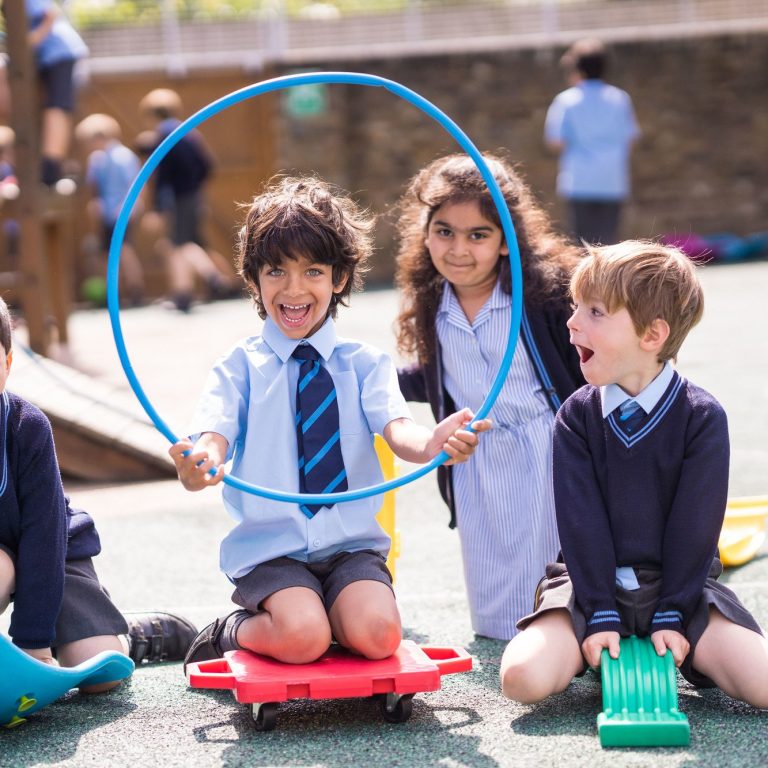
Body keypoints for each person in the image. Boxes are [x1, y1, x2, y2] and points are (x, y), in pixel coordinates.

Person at [171, 176, 490, 668]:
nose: (293, 290)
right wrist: (202, 462)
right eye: (276, 271)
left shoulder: (364, 363)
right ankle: (233, 631)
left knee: (381, 635)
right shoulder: (239, 367)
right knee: (302, 638)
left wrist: (433, 444)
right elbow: (212, 438)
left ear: (338, 279)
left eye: (313, 271)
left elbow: (397, 429)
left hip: (350, 547)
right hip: (273, 551)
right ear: (254, 278)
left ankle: (328, 617)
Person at [500, 241, 768, 709]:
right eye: (575, 307)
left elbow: (695, 530)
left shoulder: (702, 418)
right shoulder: (576, 417)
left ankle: (681, 642)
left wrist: (672, 613)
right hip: (587, 584)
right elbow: (581, 524)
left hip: (682, 588)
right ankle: (587, 649)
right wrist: (600, 611)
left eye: (596, 312)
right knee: (520, 678)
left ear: (652, 335)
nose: (573, 322)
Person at [394, 152, 584, 641]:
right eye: (444, 231)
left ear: (505, 240)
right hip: (477, 461)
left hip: (548, 452)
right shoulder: (433, 298)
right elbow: (437, 376)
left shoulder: (542, 291)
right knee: (497, 595)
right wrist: (372, 381)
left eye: (478, 234)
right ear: (425, 231)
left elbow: (586, 363)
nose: (459, 248)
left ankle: (563, 646)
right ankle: (508, 642)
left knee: (558, 575)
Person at [0, 297, 197, 692]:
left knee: (98, 675)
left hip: (54, 552)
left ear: (7, 365)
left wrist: (33, 645)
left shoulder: (27, 427)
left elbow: (43, 537)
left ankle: (137, 634)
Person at [138, 88, 238, 312]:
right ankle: (221, 282)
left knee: (178, 245)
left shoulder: (164, 135)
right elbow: (207, 166)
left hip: (180, 197)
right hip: (194, 195)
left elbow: (161, 176)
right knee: (194, 242)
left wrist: (157, 207)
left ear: (151, 115)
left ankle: (188, 291)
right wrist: (195, 187)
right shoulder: (189, 132)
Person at [544, 38, 639, 246]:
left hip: (580, 182)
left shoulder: (566, 101)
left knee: (581, 247)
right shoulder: (620, 99)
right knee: (608, 246)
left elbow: (556, 141)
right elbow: (630, 137)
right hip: (612, 181)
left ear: (576, 70)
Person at [75, 113, 145, 306]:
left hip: (121, 212)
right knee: (106, 252)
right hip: (105, 213)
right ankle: (116, 293)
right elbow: (94, 187)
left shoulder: (123, 156)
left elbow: (134, 184)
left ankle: (135, 289)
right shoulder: (97, 160)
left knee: (124, 250)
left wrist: (129, 209)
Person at [21, 0, 88, 187]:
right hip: (55, 55)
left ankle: (51, 167)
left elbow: (50, 14)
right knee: (58, 108)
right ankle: (52, 164)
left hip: (59, 53)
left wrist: (30, 41)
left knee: (57, 108)